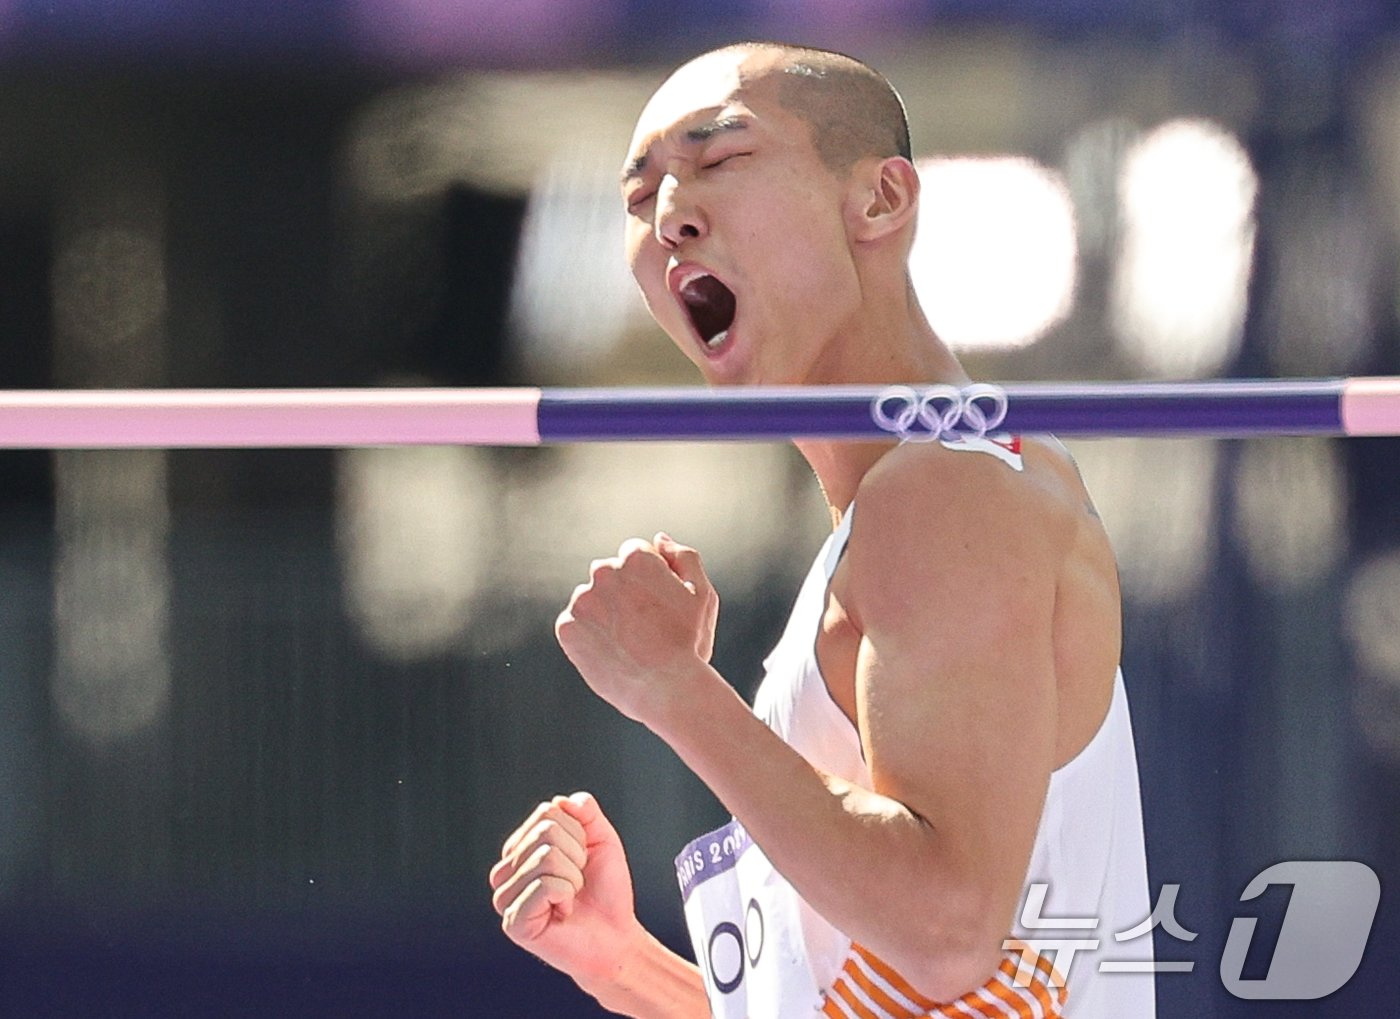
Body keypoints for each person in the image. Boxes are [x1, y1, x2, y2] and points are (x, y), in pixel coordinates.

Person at [488, 42, 1155, 1018]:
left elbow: (947, 930)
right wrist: (624, 964)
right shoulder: (894, 513)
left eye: (720, 161)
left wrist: (673, 688)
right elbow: (907, 985)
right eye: (638, 198)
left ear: (879, 201)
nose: (667, 215)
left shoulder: (948, 489)